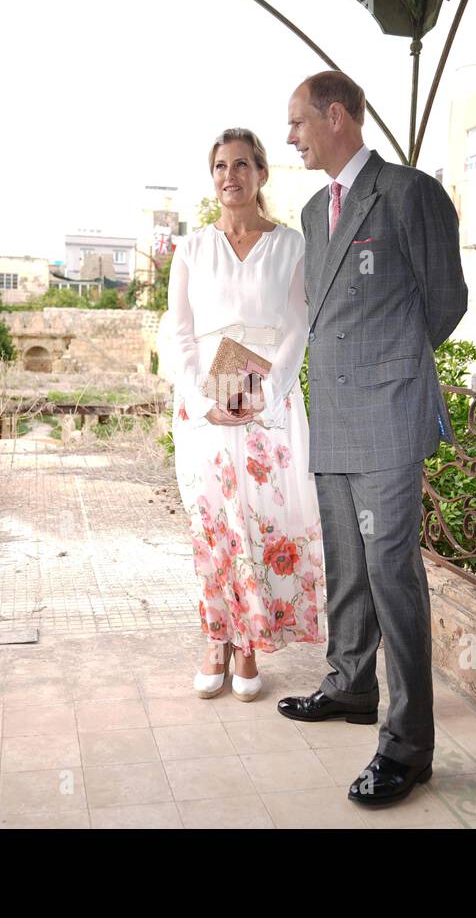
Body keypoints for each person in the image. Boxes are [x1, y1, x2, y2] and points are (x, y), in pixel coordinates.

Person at [278, 71, 468, 807]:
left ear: (335, 116)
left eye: (297, 123)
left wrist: (386, 367)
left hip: (387, 414)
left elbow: (445, 301)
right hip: (333, 413)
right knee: (348, 565)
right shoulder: (311, 210)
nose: (291, 136)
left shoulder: (409, 192)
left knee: (393, 574)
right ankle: (351, 685)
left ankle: (407, 746)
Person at [157, 127, 326, 703]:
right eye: (221, 167)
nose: (231, 176)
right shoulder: (192, 248)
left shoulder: (292, 245)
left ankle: (250, 642)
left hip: (267, 405)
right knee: (213, 524)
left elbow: (299, 325)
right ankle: (215, 640)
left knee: (259, 522)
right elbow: (176, 331)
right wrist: (204, 398)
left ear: (261, 173)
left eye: (242, 165)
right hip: (205, 403)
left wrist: (266, 391)